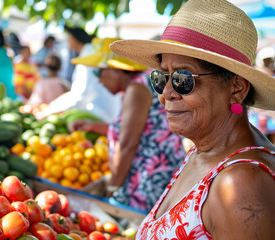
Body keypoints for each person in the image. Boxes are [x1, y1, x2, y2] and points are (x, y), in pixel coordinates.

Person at [110, 0, 275, 239]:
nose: (167, 92)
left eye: (182, 78)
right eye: (160, 78)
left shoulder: (240, 185)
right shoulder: (202, 153)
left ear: (237, 88)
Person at [68, 38, 186, 212]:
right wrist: (92, 126)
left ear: (116, 69)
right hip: (160, 171)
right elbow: (140, 130)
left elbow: (127, 144)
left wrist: (112, 188)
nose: (99, 81)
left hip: (150, 177)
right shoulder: (139, 84)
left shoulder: (136, 89)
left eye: (98, 73)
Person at [40, 26, 122, 123]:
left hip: (101, 114)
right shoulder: (88, 54)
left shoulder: (88, 57)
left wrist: (50, 110)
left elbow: (80, 95)